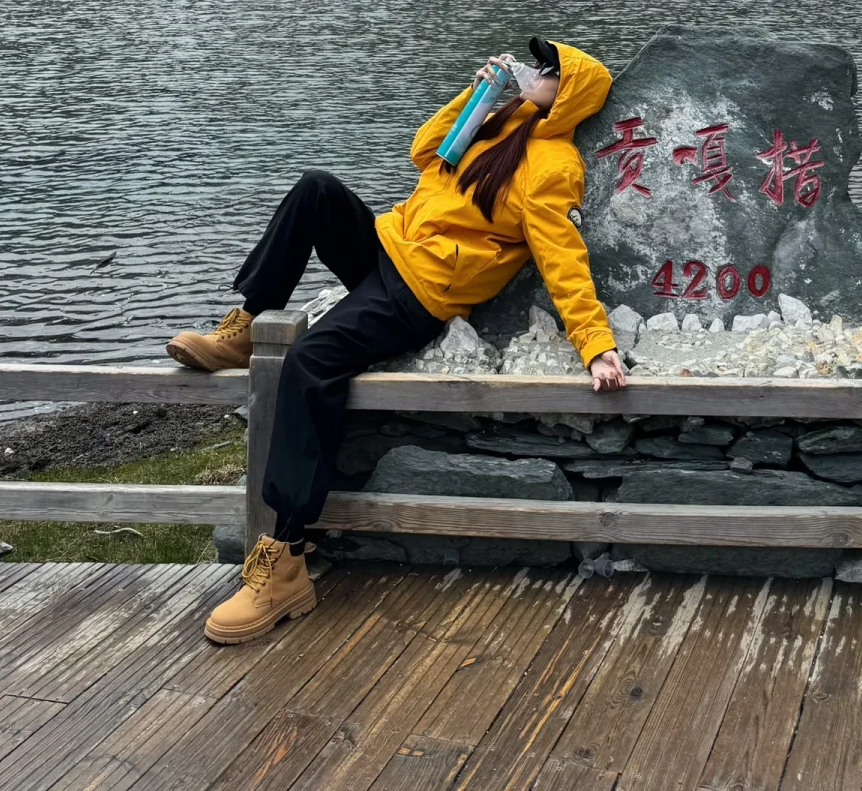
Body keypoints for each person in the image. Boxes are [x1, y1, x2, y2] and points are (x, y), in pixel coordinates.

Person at [166, 36, 625, 644]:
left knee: (309, 364)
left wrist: (596, 343)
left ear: (565, 94)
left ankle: (285, 562)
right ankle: (247, 325)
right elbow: (423, 152)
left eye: (546, 71)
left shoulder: (554, 166)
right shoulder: (498, 119)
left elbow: (561, 256)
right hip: (390, 246)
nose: (533, 72)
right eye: (535, 65)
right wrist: (476, 96)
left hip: (421, 293)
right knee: (316, 188)